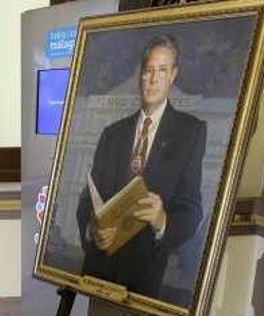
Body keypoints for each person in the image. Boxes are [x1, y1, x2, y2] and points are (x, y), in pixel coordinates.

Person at [77, 35, 206, 298]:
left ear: (173, 76)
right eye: (148, 71)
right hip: (99, 271)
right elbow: (85, 201)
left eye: (162, 71)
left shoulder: (190, 132)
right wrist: (93, 230)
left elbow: (191, 210)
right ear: (140, 75)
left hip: (144, 275)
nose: (153, 79)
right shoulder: (112, 133)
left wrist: (162, 221)